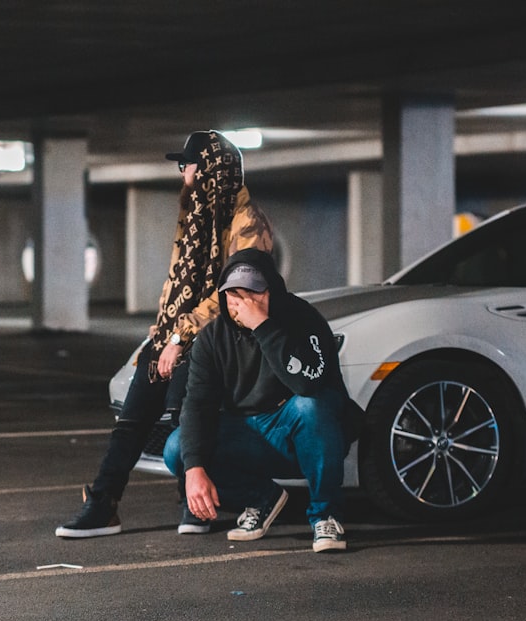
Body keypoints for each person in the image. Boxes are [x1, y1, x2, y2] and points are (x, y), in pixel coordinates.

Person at [56, 130, 274, 538]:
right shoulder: (194, 217)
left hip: (221, 340)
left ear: (209, 170)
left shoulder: (248, 224)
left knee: (185, 416)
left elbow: (236, 295)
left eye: (187, 166)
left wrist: (180, 338)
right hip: (175, 335)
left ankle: (196, 504)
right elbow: (177, 285)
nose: (183, 175)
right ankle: (103, 505)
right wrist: (161, 334)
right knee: (132, 419)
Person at [163, 247, 359, 553]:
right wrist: (193, 470)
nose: (243, 303)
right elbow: (197, 405)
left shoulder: (303, 319)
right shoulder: (214, 338)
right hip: (248, 436)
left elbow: (307, 384)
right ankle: (261, 498)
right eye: (233, 295)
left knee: (312, 405)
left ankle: (326, 515)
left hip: (299, 435)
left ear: (273, 291)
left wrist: (264, 328)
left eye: (253, 293)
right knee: (178, 450)